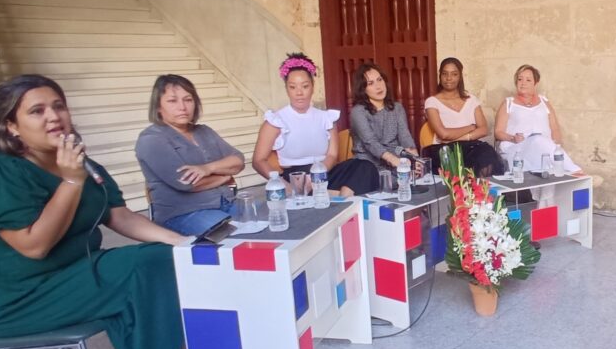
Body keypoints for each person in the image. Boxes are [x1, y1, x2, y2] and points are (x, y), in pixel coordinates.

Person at [0, 75, 194, 349]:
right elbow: (34, 246)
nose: (53, 116)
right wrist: (70, 181)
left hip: (74, 274)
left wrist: (184, 242)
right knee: (142, 265)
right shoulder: (0, 171)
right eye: (37, 111)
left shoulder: (77, 158)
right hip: (20, 298)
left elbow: (118, 216)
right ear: (12, 126)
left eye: (58, 106)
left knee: (171, 257)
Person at [135, 74, 245, 235]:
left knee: (272, 220)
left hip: (226, 203)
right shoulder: (151, 139)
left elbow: (238, 161)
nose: (182, 107)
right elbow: (186, 183)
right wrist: (224, 177)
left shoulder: (204, 131)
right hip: (184, 214)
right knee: (235, 237)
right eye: (172, 101)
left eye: (188, 99)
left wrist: (207, 168)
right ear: (158, 107)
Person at [252, 52, 373, 196]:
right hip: (295, 179)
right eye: (293, 87)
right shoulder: (275, 121)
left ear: (312, 86)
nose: (299, 92)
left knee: (365, 167)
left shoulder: (326, 118)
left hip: (323, 172)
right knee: (300, 189)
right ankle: (336, 196)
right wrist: (281, 183)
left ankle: (343, 196)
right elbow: (258, 160)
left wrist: (317, 176)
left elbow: (332, 155)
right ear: (286, 88)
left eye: (304, 86)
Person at [421, 57, 504, 177]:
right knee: (460, 165)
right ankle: (465, 194)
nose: (449, 78)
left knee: (487, 156)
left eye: (454, 74)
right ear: (440, 76)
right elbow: (443, 134)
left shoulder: (471, 99)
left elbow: (483, 129)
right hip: (444, 149)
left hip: (470, 146)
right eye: (445, 74)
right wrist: (471, 127)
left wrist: (462, 138)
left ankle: (480, 194)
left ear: (460, 76)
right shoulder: (432, 102)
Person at [494, 64, 580, 174]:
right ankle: (575, 171)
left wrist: (556, 146)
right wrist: (512, 138)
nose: (523, 83)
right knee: (537, 140)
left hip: (544, 149)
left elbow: (555, 129)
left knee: (543, 151)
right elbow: (498, 132)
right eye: (520, 79)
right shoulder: (508, 103)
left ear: (536, 83)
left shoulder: (544, 101)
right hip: (518, 149)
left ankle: (565, 174)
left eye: (528, 80)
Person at [348, 62, 418, 191]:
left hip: (395, 164)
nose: (378, 86)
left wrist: (415, 160)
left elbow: (405, 137)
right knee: (386, 182)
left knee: (416, 179)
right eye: (371, 83)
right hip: (368, 165)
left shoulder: (397, 108)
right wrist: (394, 160)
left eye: (379, 80)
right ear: (363, 89)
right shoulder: (358, 112)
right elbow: (370, 142)